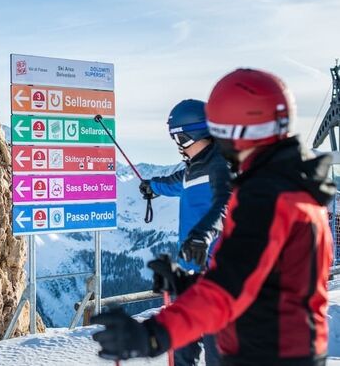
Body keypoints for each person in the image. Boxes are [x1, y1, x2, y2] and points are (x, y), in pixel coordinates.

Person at [92, 68, 335, 366]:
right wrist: (190, 286)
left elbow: (227, 292)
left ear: (235, 132)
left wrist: (152, 336)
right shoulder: (294, 186)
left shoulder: (268, 199)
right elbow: (265, 280)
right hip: (283, 349)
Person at [139, 99, 231, 365]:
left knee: (218, 354)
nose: (178, 145)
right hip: (188, 275)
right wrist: (151, 187)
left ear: (194, 134)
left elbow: (224, 204)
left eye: (179, 138)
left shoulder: (221, 166)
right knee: (182, 350)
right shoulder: (194, 168)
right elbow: (172, 184)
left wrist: (204, 235)